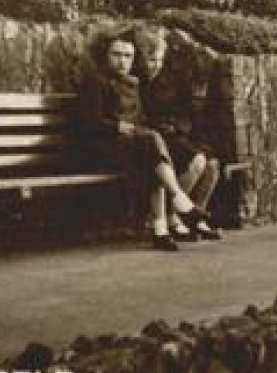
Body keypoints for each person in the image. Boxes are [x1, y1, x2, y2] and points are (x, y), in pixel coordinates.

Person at [76, 29, 212, 251]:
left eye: (128, 56)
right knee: (150, 147)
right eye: (116, 55)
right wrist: (117, 126)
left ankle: (161, 229)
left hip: (131, 146)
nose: (122, 62)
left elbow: (142, 120)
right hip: (101, 147)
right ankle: (177, 204)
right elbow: (86, 123)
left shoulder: (132, 83)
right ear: (106, 55)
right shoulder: (96, 82)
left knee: (158, 152)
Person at [131, 26, 224, 242]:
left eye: (157, 60)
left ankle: (196, 217)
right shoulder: (136, 82)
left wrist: (179, 126)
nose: (152, 65)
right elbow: (139, 117)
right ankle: (176, 217)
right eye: (149, 59)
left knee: (213, 165)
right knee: (198, 161)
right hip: (156, 138)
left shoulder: (170, 81)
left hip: (176, 135)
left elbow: (187, 113)